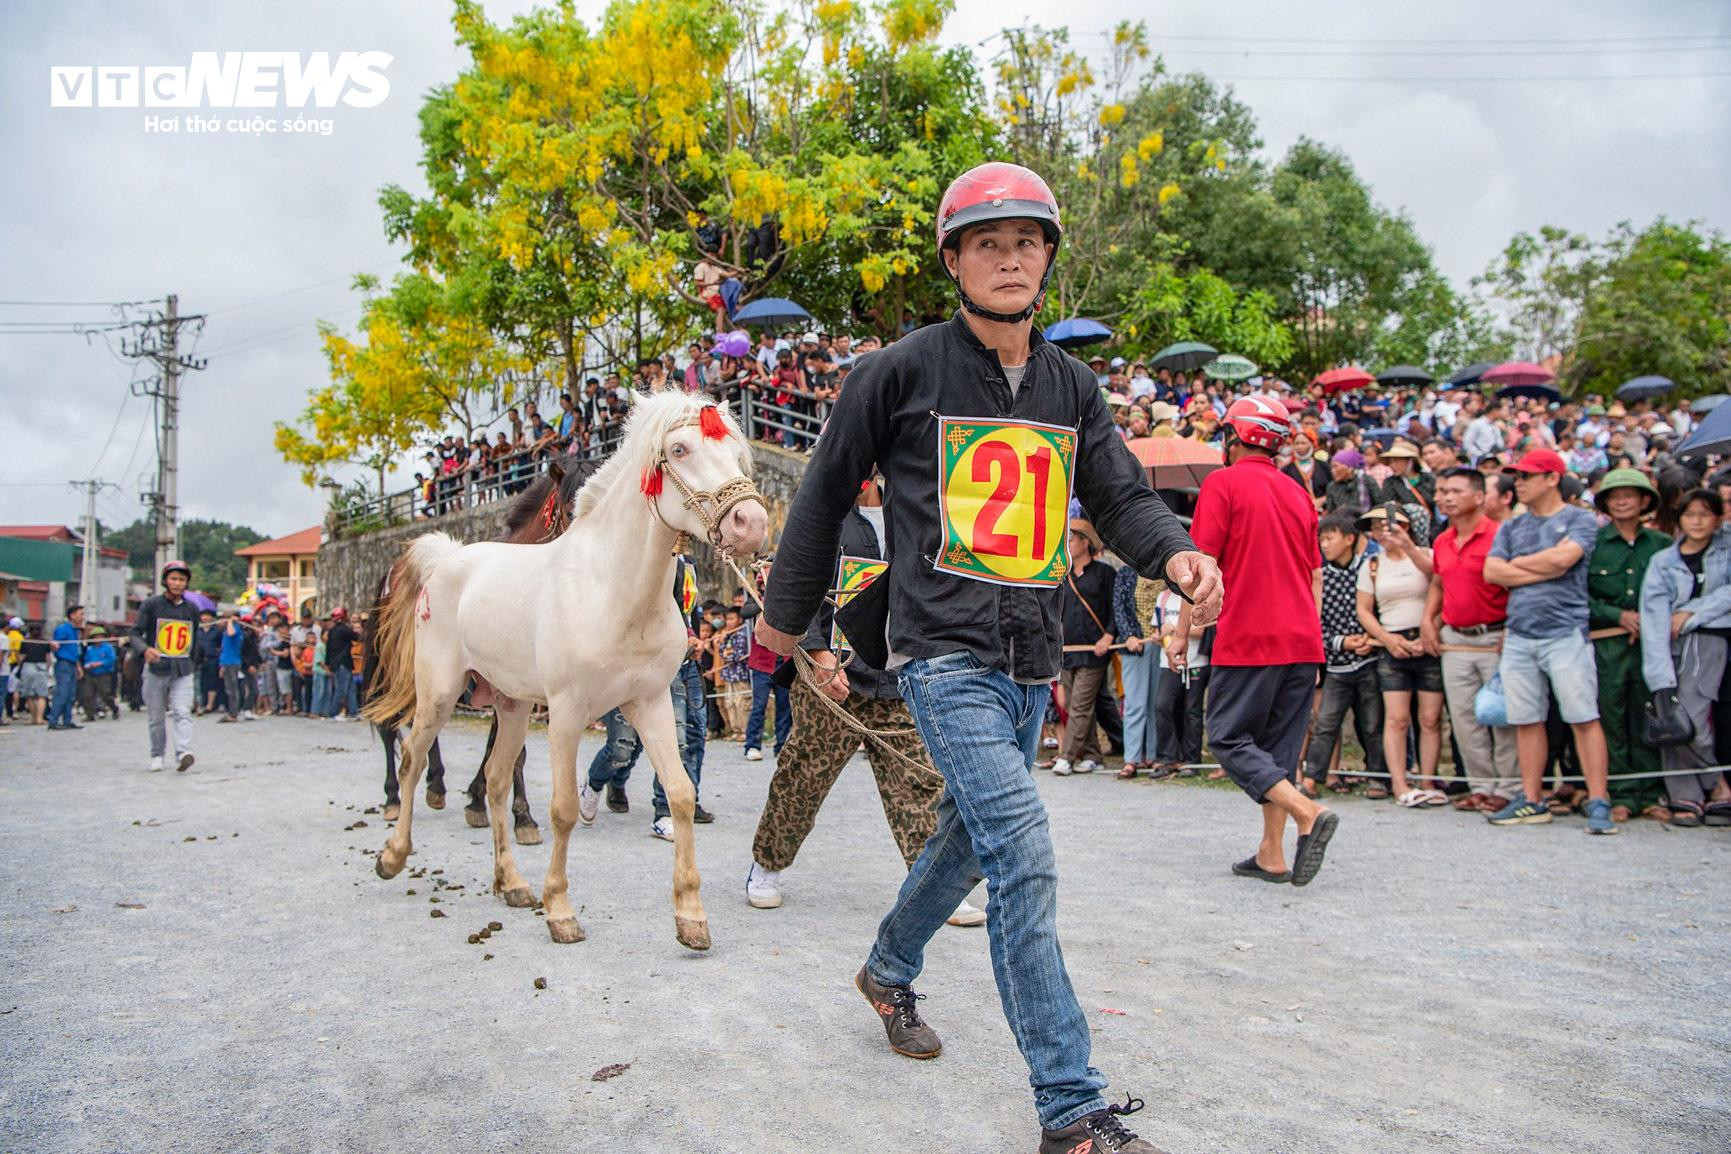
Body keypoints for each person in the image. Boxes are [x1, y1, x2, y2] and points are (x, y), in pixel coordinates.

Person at [754, 161, 1221, 1153]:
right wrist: (784, 626)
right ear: (954, 260)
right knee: (1023, 857)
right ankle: (1071, 1106)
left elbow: (1123, 494)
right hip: (939, 657)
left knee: (966, 839)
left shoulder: (1071, 385)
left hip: (1030, 660)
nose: (1009, 257)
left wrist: (1175, 549)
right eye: (986, 242)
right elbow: (825, 492)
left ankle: (886, 967)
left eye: (1027, 241)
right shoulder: (900, 371)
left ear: (1048, 257)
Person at [746, 475, 964, 922]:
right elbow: (790, 584)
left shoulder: (915, 512)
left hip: (897, 674)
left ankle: (932, 890)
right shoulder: (821, 513)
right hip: (833, 677)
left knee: (918, 783)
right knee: (803, 777)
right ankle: (767, 864)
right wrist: (817, 650)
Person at [1191, 393, 1338, 885]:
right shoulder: (1298, 491)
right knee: (1278, 751)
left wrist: (1182, 631)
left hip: (1250, 633)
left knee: (1229, 738)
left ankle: (1306, 812)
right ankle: (1272, 853)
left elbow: (1203, 567)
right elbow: (1315, 574)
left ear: (1234, 437)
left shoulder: (1223, 482)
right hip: (1302, 636)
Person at [1482, 448, 1619, 834]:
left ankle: (1598, 799)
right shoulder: (1511, 526)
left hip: (1566, 632)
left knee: (1583, 717)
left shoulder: (1580, 518)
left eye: (1526, 476)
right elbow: (1492, 572)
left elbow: (1565, 561)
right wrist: (1546, 564)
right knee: (1526, 719)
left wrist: (1519, 568)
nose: (1518, 483)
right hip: (1521, 632)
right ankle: (1532, 798)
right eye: (1517, 477)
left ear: (1552, 478)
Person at [1421, 467, 1519, 812]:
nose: (1447, 497)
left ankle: (1508, 788)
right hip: (1455, 640)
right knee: (1464, 719)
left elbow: (1517, 585)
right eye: (1443, 490)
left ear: (1479, 497)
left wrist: (1512, 628)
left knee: (1502, 716)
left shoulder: (1501, 535)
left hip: (1495, 638)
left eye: (1456, 491)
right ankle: (1480, 785)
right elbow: (1437, 582)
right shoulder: (1442, 540)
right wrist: (1427, 620)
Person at [1639, 488, 1731, 827]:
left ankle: (1716, 784)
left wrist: (1690, 612)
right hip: (1666, 641)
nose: (1697, 521)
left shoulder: (1726, 549)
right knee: (1667, 713)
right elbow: (1653, 614)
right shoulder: (1664, 560)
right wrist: (1657, 671)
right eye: (1690, 515)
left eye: (1705, 514)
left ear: (1718, 518)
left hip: (1707, 638)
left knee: (1692, 715)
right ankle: (1686, 794)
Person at [1583, 468, 1670, 821]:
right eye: (1614, 496)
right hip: (1608, 643)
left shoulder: (1662, 545)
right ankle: (1621, 792)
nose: (1622, 501)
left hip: (1652, 644)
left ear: (1644, 500)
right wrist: (1616, 615)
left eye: (1629, 495)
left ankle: (1651, 792)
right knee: (1612, 714)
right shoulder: (1594, 544)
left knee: (1648, 711)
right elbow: (1580, 595)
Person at [1354, 505, 1446, 807]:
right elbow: (1363, 610)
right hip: (1392, 642)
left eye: (1389, 524)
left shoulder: (1427, 554)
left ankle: (1428, 781)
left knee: (1431, 718)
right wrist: (1386, 639)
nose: (1383, 531)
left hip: (1427, 639)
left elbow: (1439, 578)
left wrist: (1408, 546)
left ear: (1406, 526)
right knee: (1396, 718)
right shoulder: (1373, 564)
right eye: (1377, 526)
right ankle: (1400, 783)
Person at [1304, 510, 1386, 795]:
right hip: (1337, 666)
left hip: (1370, 658)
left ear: (1350, 539)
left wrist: (1369, 639)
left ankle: (1378, 777)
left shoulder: (1370, 568)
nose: (1324, 544)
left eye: (1330, 538)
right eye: (1321, 539)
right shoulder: (1321, 578)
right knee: (1325, 724)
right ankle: (1312, 779)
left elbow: (1379, 610)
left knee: (1374, 725)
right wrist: (1342, 642)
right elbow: (1316, 624)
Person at [1053, 519, 1115, 777]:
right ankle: (1092, 754)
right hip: (1068, 650)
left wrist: (1109, 636)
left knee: (1079, 703)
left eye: (1071, 539)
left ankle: (1065, 757)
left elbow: (1115, 610)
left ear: (1085, 542)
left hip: (1095, 650)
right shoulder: (1062, 576)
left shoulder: (1104, 573)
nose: (1067, 544)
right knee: (1073, 704)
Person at [131, 560, 200, 772]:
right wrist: (145, 649)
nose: (177, 583)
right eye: (173, 579)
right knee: (156, 715)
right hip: (156, 668)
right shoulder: (151, 605)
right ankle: (157, 754)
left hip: (182, 668)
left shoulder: (192, 609)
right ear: (165, 580)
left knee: (182, 711)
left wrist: (193, 664)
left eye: (181, 579)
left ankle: (183, 752)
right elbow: (134, 633)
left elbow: (194, 640)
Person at [1111, 552, 1163, 778]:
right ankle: (1131, 758)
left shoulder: (1165, 574)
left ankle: (1153, 755)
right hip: (1135, 645)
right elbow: (1119, 607)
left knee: (1156, 704)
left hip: (1162, 645)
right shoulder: (1125, 574)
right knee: (1134, 703)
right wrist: (1129, 635)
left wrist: (1165, 630)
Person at [47, 605, 85, 730]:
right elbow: (54, 644)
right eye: (80, 614)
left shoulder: (75, 631)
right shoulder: (63, 629)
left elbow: (74, 650)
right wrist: (53, 645)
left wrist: (78, 666)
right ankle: (53, 720)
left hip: (72, 663)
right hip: (63, 663)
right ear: (72, 615)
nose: (82, 617)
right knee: (62, 693)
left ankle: (67, 720)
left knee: (70, 694)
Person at [323, 607, 360, 719]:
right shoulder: (343, 629)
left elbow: (328, 649)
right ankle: (333, 712)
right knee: (342, 689)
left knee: (350, 688)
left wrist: (328, 663)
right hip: (343, 662)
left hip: (337, 663)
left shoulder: (332, 631)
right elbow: (356, 637)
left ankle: (354, 712)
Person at [79, 625, 119, 721]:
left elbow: (112, 660)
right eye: (96, 637)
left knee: (105, 694)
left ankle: (114, 709)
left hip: (104, 673)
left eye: (100, 636)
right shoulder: (90, 649)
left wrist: (100, 663)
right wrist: (88, 665)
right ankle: (89, 714)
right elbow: (86, 660)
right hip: (91, 673)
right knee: (88, 694)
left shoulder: (108, 648)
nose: (98, 639)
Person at [17, 624, 52, 726]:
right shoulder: (45, 642)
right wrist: (47, 669)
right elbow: (48, 658)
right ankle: (39, 718)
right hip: (41, 666)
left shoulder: (25, 641)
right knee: (42, 695)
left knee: (29, 695)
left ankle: (33, 717)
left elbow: (21, 658)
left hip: (28, 667)